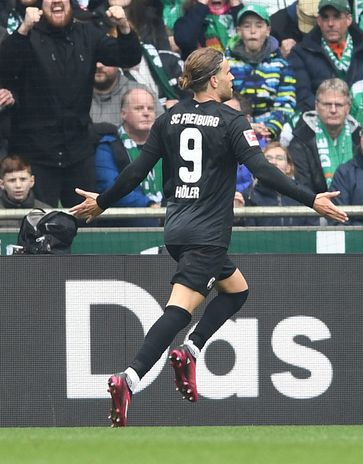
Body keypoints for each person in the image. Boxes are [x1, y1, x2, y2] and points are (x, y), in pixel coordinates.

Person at [68, 47, 347, 427]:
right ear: (214, 79)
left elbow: (135, 172)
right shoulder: (232, 121)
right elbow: (263, 170)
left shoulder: (168, 120)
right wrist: (311, 198)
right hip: (208, 233)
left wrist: (102, 202)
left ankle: (192, 350)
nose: (233, 79)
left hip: (178, 228)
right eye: (229, 73)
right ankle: (128, 378)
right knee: (178, 310)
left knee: (237, 290)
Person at [0, 0, 142, 207]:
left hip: (78, 151)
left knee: (83, 222)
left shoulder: (88, 34)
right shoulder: (27, 34)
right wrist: (23, 29)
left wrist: (123, 26)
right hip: (35, 152)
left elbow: (129, 56)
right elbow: (4, 67)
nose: (57, 1)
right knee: (38, 227)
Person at [226, 4, 297, 141]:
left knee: (288, 133)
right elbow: (222, 101)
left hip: (271, 125)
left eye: (259, 26)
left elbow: (286, 103)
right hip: (236, 123)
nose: (253, 31)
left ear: (268, 30)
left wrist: (270, 129)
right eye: (247, 26)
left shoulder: (281, 65)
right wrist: (246, 126)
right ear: (239, 31)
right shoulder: (226, 64)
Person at [94, 88, 163, 227]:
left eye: (150, 108)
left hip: (168, 218)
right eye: (138, 108)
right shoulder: (107, 147)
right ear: (123, 114)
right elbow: (111, 188)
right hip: (128, 224)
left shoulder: (166, 145)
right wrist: (150, 205)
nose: (146, 113)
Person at [288, 0, 363, 111]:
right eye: (325, 17)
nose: (330, 23)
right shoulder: (300, 53)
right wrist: (332, 112)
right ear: (319, 21)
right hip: (321, 119)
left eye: (337, 17)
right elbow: (303, 97)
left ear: (349, 19)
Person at [288, 78, 361, 194]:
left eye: (338, 105)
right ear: (316, 106)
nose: (333, 110)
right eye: (327, 104)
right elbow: (302, 187)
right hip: (314, 208)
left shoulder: (361, 139)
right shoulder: (301, 141)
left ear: (348, 108)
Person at [241, 142, 320, 226]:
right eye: (268, 158)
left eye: (279, 158)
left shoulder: (305, 194)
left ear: (289, 167)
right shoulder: (249, 195)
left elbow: (312, 230)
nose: (274, 162)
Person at [91, 62, 161, 126]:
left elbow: (162, 131)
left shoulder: (142, 92)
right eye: (94, 59)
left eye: (105, 60)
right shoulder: (80, 94)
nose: (98, 66)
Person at [173, 0, 242, 59]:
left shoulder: (239, 13)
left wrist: (236, 6)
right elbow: (185, 40)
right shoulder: (189, 17)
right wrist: (201, 5)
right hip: (203, 71)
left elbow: (248, 44)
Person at [0, 155, 51, 228]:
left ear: (32, 181)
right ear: (2, 184)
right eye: (12, 180)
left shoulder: (47, 212)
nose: (18, 185)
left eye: (23, 179)